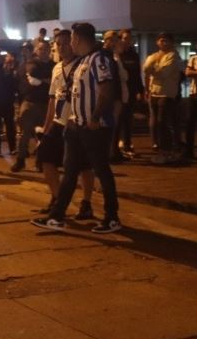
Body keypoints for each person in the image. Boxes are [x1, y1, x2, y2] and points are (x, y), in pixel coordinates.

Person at [32, 22, 122, 234]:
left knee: (100, 170)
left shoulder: (99, 59)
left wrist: (96, 117)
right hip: (76, 125)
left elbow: (107, 89)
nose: (70, 42)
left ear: (79, 39)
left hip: (93, 128)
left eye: (72, 38)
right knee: (70, 172)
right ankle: (57, 216)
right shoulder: (85, 61)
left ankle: (112, 217)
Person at [30, 29, 95, 221]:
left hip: (76, 122)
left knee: (83, 166)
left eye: (67, 43)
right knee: (45, 158)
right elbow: (52, 99)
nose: (62, 47)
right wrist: (47, 127)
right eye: (59, 44)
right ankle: (58, 199)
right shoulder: (57, 68)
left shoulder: (83, 65)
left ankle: (86, 203)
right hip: (59, 123)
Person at [11, 40, 53, 172]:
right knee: (25, 134)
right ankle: (20, 160)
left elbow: (56, 80)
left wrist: (42, 81)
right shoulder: (33, 63)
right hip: (30, 102)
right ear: (36, 51)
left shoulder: (54, 65)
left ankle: (40, 161)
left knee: (45, 136)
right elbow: (33, 72)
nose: (44, 51)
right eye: (41, 49)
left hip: (47, 104)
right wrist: (48, 80)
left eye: (46, 49)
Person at [144, 32, 185, 164]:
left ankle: (167, 151)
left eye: (166, 41)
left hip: (167, 94)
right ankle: (162, 149)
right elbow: (145, 68)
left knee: (163, 122)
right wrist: (153, 68)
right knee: (156, 123)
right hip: (154, 93)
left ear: (171, 42)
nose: (163, 43)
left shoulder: (173, 55)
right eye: (161, 40)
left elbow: (163, 72)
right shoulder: (154, 55)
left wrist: (153, 68)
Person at [115, 29, 144, 157]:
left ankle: (127, 143)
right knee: (118, 118)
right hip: (118, 92)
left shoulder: (134, 55)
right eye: (125, 38)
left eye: (129, 38)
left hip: (131, 91)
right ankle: (116, 145)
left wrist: (140, 90)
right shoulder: (116, 55)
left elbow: (137, 74)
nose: (127, 41)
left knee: (127, 118)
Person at [102, 30, 130, 163]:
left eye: (115, 40)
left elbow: (124, 76)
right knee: (108, 124)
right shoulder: (103, 55)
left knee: (115, 124)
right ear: (105, 40)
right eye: (111, 39)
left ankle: (112, 151)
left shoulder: (116, 56)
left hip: (117, 94)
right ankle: (108, 152)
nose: (114, 42)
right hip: (109, 95)